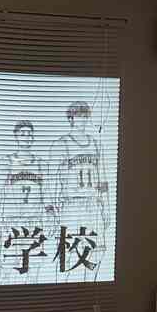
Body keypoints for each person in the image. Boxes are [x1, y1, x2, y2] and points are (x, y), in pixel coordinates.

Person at [49, 101, 110, 281]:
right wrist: (53, 208)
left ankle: (87, 288)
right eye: (78, 115)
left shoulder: (95, 143)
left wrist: (106, 206)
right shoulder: (61, 144)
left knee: (96, 252)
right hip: (71, 204)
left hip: (92, 203)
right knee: (68, 251)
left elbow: (103, 178)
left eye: (84, 115)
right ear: (71, 118)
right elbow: (52, 178)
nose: (81, 119)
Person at [0, 121, 52, 283]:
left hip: (33, 223)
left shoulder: (41, 164)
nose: (26, 137)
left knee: (33, 268)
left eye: (29, 134)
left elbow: (46, 194)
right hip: (11, 221)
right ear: (16, 137)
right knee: (7, 267)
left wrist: (51, 215)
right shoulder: (6, 162)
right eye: (22, 134)